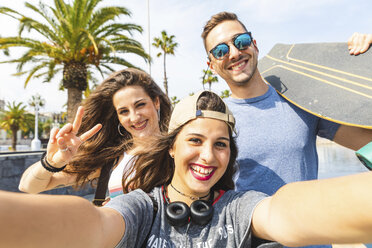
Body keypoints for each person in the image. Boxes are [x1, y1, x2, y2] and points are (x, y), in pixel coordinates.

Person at [1, 91, 372, 248]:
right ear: (172, 148)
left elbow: (287, 211)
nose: (208, 156)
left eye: (220, 144)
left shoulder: (239, 207)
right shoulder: (143, 208)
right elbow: (92, 224)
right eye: (195, 140)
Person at [201, 12, 372, 196]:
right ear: (211, 65)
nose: (234, 53)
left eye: (241, 41)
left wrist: (365, 59)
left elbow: (366, 142)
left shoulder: (299, 99)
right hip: (246, 225)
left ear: (255, 45)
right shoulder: (216, 120)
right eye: (220, 51)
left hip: (306, 223)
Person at [18, 68, 172, 204]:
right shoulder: (112, 162)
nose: (134, 117)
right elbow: (27, 187)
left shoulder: (180, 150)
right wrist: (52, 162)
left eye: (140, 105)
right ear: (117, 117)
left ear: (156, 102)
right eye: (124, 111)